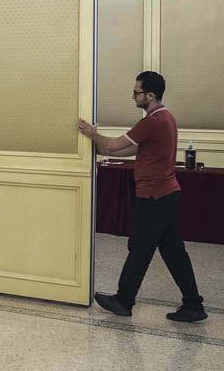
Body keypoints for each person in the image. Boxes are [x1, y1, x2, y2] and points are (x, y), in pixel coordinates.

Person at [78, 71, 207, 322]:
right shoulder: (166, 118)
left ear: (150, 95)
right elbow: (132, 150)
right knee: (173, 252)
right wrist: (99, 148)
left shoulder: (152, 121)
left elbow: (115, 144)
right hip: (167, 194)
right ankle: (193, 304)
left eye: (136, 92)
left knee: (140, 249)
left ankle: (124, 301)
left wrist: (92, 134)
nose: (133, 96)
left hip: (153, 197)